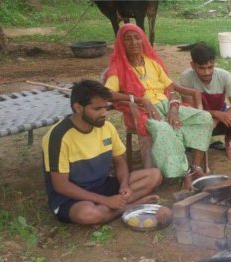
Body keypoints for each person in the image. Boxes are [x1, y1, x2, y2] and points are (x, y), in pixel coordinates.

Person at [42, 80, 162, 225]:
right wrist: (106, 200)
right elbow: (61, 186)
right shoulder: (58, 136)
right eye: (97, 109)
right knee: (88, 214)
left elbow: (120, 161)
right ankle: (127, 206)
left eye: (106, 107)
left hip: (102, 185)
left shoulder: (107, 127)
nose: (104, 113)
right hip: (72, 197)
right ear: (78, 108)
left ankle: (111, 208)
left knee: (154, 175)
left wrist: (124, 185)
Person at [104, 23, 213, 179]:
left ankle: (195, 166)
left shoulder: (152, 62)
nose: (134, 43)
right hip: (142, 111)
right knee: (164, 129)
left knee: (204, 117)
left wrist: (173, 109)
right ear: (121, 43)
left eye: (137, 38)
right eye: (128, 39)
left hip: (167, 105)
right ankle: (182, 173)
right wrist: (140, 100)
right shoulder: (118, 67)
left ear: (143, 40)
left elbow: (170, 88)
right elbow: (108, 93)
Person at [179, 42, 231, 159]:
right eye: (202, 68)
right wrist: (215, 114)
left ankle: (229, 139)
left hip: (220, 120)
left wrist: (219, 117)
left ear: (214, 63)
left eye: (210, 67)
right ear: (192, 65)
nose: (207, 72)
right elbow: (191, 110)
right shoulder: (186, 78)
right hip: (197, 122)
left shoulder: (224, 75)